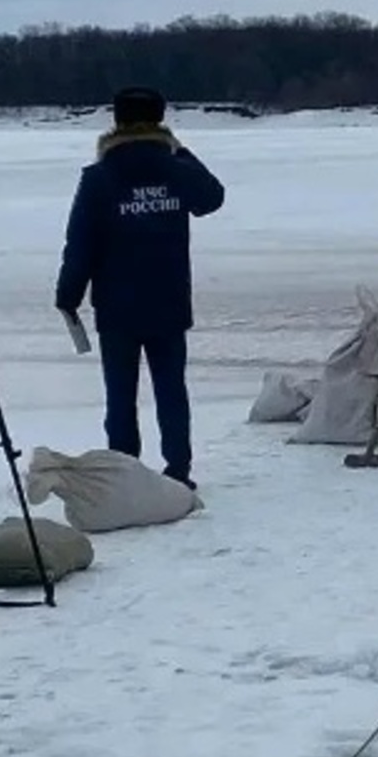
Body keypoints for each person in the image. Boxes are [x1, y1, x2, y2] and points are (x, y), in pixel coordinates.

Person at [54, 86, 225, 489]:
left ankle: (123, 471)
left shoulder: (99, 177)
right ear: (161, 118)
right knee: (171, 391)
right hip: (168, 298)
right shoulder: (175, 168)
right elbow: (211, 198)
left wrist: (68, 295)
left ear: (115, 121)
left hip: (117, 304)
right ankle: (179, 470)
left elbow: (81, 241)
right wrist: (179, 152)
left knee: (120, 395)